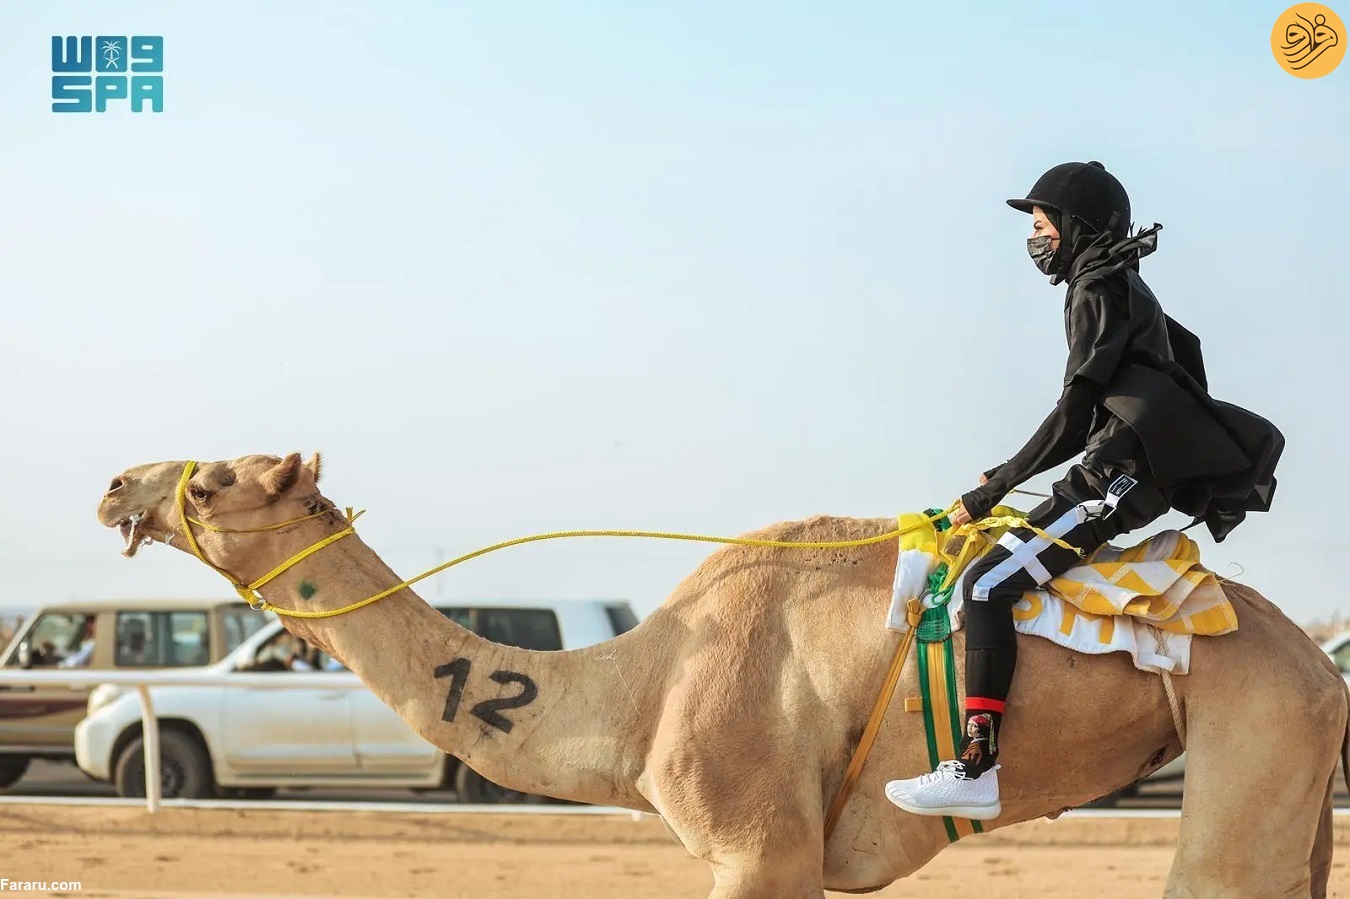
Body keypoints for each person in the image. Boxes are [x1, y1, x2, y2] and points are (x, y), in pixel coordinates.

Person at [884, 160, 1284, 821]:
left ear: (1076, 228)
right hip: (1107, 471)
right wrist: (1006, 474)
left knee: (985, 585)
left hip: (1111, 482)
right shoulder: (1116, 285)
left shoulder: (1097, 288)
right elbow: (1098, 412)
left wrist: (993, 488)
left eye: (1042, 225)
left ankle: (978, 765)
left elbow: (1075, 411)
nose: (1035, 238)